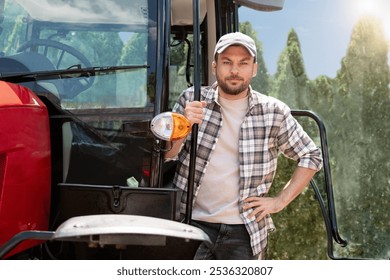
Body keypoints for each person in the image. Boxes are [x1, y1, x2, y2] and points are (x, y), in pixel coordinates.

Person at [165, 32, 323, 260]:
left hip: (245, 232)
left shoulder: (273, 112)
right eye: (227, 62)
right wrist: (184, 125)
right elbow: (167, 155)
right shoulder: (192, 100)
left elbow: (311, 156)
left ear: (254, 69)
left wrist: (279, 202)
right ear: (214, 66)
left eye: (243, 63)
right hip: (190, 223)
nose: (234, 70)